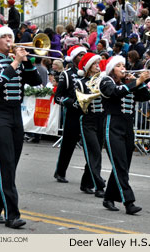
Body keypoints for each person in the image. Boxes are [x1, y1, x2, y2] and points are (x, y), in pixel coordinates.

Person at [0, 23, 42, 228]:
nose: (9, 40)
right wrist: (14, 63)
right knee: (5, 163)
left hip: (15, 115)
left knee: (10, 165)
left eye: (10, 36)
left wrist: (27, 60)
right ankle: (12, 215)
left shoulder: (17, 60)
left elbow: (36, 82)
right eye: (4, 37)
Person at [99, 55, 150, 214]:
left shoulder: (129, 83)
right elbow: (114, 93)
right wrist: (136, 82)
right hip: (112, 124)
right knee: (120, 164)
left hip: (128, 127)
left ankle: (108, 198)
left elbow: (146, 97)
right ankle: (129, 202)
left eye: (124, 65)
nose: (123, 68)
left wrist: (138, 82)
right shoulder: (106, 81)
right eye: (119, 66)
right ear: (112, 70)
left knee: (123, 165)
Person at [54, 45, 87, 183]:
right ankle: (60, 172)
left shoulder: (90, 74)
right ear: (73, 58)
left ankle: (92, 176)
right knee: (68, 145)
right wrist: (70, 102)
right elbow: (58, 97)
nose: (82, 58)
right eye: (79, 55)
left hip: (88, 115)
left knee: (91, 147)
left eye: (84, 55)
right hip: (72, 115)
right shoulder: (66, 74)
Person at [76, 53, 106, 197]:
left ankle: (85, 182)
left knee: (96, 153)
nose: (97, 66)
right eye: (94, 64)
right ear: (88, 67)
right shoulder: (80, 82)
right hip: (87, 119)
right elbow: (77, 102)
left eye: (98, 63)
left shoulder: (102, 80)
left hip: (101, 119)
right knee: (94, 152)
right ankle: (99, 186)